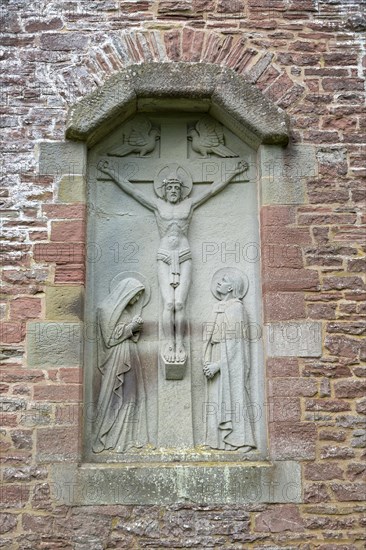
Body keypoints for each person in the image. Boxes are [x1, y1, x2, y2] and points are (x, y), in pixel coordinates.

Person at [98, 161, 248, 365]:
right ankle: (169, 343)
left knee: (180, 303)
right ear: (164, 190)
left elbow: (212, 189)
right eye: (170, 188)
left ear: (182, 190)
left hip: (184, 254)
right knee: (169, 303)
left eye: (177, 188)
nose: (173, 191)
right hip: (165, 256)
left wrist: (234, 171)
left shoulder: (189, 204)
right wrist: (110, 170)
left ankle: (181, 344)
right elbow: (134, 191)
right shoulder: (158, 205)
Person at [93, 277, 148, 453]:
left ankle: (125, 440)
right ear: (127, 292)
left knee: (132, 396)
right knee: (113, 397)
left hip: (131, 356)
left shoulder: (126, 311)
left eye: (140, 296)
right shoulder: (105, 309)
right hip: (116, 359)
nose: (138, 299)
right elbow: (109, 339)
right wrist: (131, 327)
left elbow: (128, 334)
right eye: (137, 295)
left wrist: (134, 328)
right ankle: (105, 437)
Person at [203, 271, 256, 451]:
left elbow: (236, 344)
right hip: (217, 353)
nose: (219, 282)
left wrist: (218, 365)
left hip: (232, 360)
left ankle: (243, 440)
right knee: (217, 400)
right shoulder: (219, 307)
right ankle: (218, 441)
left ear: (231, 287)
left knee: (235, 396)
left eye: (224, 281)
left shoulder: (236, 308)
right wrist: (208, 358)